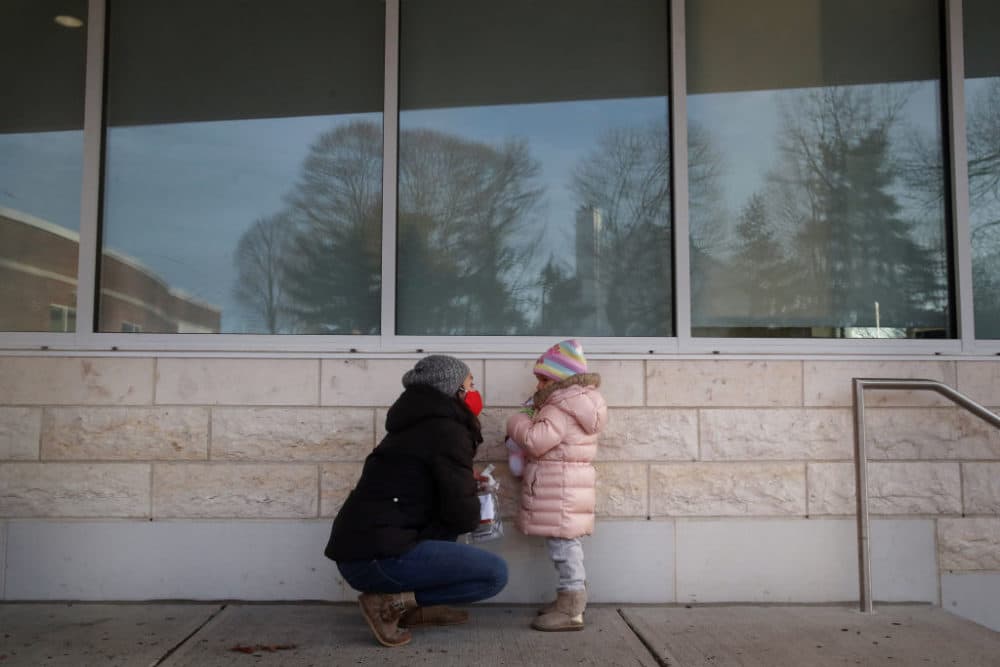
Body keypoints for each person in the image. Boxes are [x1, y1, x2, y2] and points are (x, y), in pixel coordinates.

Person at [325, 355, 508, 647]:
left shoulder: (416, 425)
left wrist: (461, 481)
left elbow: (423, 488)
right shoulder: (448, 431)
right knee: (494, 575)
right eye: (470, 385)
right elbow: (463, 517)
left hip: (362, 553)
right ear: (454, 390)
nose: (474, 392)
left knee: (445, 526)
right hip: (375, 559)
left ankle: (414, 610)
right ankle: (388, 604)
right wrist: (475, 498)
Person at [505, 339, 607, 632]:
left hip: (559, 488)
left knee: (564, 547)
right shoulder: (579, 403)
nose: (538, 386)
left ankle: (572, 608)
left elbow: (537, 442)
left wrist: (516, 422)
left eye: (543, 379)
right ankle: (568, 599)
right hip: (567, 487)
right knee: (566, 545)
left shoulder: (559, 406)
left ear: (558, 379)